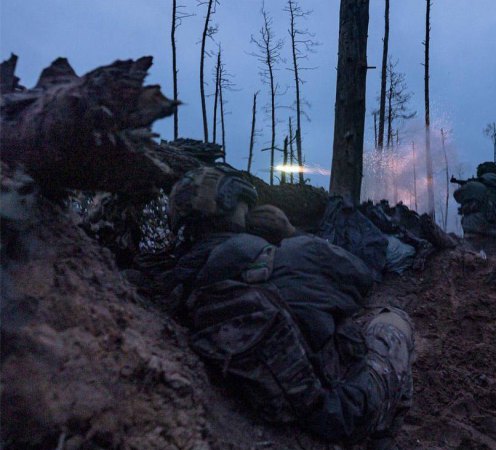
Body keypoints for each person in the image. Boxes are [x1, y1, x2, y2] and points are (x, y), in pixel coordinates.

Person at [166, 166, 414, 447]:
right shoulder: (291, 254)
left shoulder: (185, 284)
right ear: (233, 204)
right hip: (339, 414)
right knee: (393, 320)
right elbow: (361, 278)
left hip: (267, 403)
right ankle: (377, 437)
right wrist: (290, 232)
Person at [451, 161, 496, 255]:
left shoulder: (474, 185)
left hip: (474, 231)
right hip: (494, 233)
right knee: (495, 265)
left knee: (469, 263)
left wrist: (469, 185)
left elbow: (457, 195)